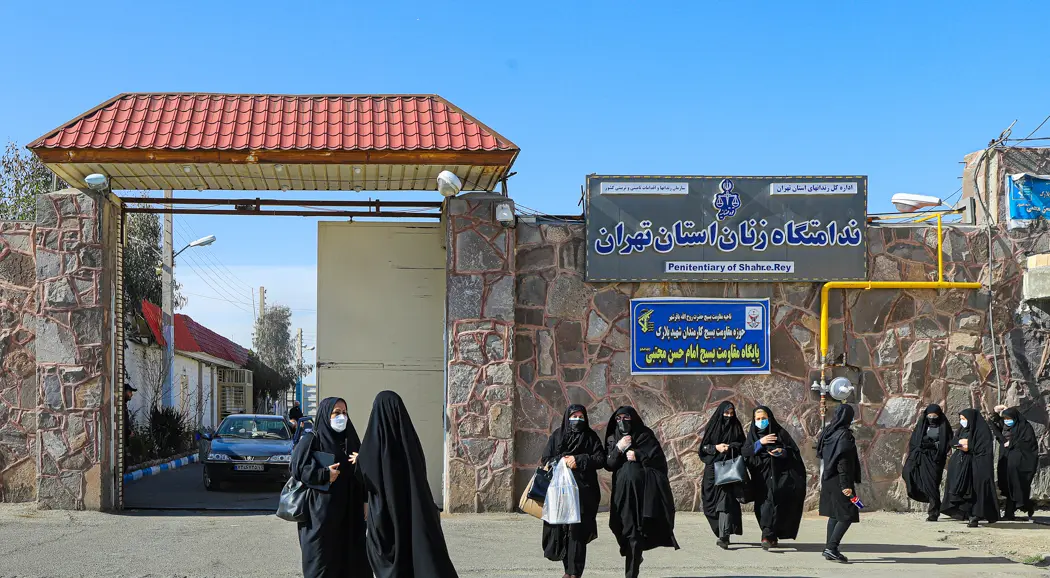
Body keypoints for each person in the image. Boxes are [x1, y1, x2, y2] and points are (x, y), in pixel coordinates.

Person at [354, 391, 458, 578]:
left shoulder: (374, 443)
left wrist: (359, 460)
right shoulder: (410, 443)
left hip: (385, 514)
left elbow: (368, 474)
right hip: (411, 510)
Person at [290, 397, 371, 578]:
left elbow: (362, 475)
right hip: (321, 515)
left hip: (350, 514)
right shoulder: (312, 439)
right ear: (325, 414)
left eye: (344, 413)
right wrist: (324, 474)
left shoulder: (351, 440)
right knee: (321, 562)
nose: (342, 417)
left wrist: (365, 499)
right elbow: (297, 468)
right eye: (336, 413)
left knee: (351, 562)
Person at [605, 406, 679, 578]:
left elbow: (659, 461)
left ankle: (631, 571)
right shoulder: (613, 438)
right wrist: (619, 448)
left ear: (633, 418)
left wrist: (639, 455)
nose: (622, 421)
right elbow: (609, 464)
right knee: (616, 526)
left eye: (626, 418)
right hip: (621, 494)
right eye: (618, 418)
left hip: (640, 494)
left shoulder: (645, 435)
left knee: (634, 533)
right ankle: (634, 554)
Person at [540, 404, 605, 578]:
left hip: (583, 493)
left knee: (578, 532)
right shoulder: (558, 436)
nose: (577, 420)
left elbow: (600, 459)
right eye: (574, 416)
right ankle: (567, 571)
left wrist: (579, 460)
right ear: (567, 418)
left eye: (580, 417)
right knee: (563, 530)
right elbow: (546, 459)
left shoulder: (590, 437)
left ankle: (575, 572)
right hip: (561, 493)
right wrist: (563, 459)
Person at [742, 406, 807, 550]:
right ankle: (769, 535)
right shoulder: (753, 436)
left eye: (764, 418)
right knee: (763, 506)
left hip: (780, 477)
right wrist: (761, 443)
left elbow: (793, 452)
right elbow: (746, 453)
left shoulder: (780, 433)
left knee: (777, 505)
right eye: (758, 419)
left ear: (770, 418)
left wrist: (782, 452)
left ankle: (768, 536)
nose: (761, 421)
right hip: (761, 478)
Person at [817, 403, 861, 564]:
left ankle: (829, 549)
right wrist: (846, 485)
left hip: (828, 478)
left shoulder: (828, 432)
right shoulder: (844, 436)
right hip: (840, 480)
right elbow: (843, 462)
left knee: (835, 514)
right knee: (848, 513)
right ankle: (832, 547)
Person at [698, 401, 746, 549]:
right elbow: (703, 448)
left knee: (725, 502)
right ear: (720, 413)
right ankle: (720, 530)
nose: (729, 416)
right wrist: (716, 448)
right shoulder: (713, 427)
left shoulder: (736, 426)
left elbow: (743, 445)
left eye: (731, 413)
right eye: (726, 413)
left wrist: (730, 447)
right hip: (712, 470)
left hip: (728, 469)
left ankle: (724, 536)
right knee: (709, 505)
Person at [941, 408, 999, 527]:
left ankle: (975, 516)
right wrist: (961, 443)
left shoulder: (982, 431)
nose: (962, 422)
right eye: (961, 419)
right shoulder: (963, 429)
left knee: (976, 490)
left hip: (977, 466)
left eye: (964, 419)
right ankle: (967, 513)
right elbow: (954, 441)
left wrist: (968, 445)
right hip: (962, 465)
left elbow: (981, 448)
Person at [902, 404, 953, 522]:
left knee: (932, 484)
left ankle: (934, 512)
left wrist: (935, 445)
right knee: (908, 472)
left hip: (935, 459)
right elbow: (915, 442)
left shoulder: (943, 426)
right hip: (921, 456)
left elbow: (947, 442)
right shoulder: (922, 425)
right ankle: (921, 494)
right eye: (929, 416)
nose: (932, 419)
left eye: (934, 416)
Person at [989, 405, 1038, 521]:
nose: (1007, 421)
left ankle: (1012, 511)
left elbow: (1028, 443)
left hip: (1019, 463)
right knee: (1008, 486)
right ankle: (1020, 508)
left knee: (1016, 485)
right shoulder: (1005, 427)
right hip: (1006, 460)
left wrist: (1011, 443)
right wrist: (995, 412)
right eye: (1005, 419)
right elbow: (994, 426)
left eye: (1009, 419)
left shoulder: (1024, 427)